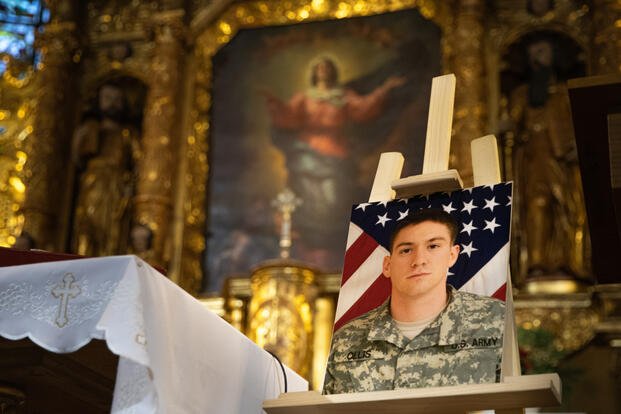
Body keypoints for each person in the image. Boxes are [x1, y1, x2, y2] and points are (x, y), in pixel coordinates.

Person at [322, 209, 505, 394]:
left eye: (433, 246)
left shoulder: (497, 320)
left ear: (452, 255)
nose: (419, 260)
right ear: (387, 265)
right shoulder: (345, 340)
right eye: (406, 250)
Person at [263, 57, 405, 267]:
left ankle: (331, 247)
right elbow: (289, 117)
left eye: (327, 67)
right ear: (314, 73)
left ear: (333, 72)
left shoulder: (343, 96)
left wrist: (384, 90)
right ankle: (309, 248)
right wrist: (275, 104)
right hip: (306, 155)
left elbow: (364, 109)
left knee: (333, 199)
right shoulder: (305, 97)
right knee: (306, 200)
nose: (323, 71)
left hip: (336, 154)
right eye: (320, 68)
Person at [508, 38, 588, 277]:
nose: (536, 59)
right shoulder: (522, 95)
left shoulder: (565, 93)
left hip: (563, 160)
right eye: (532, 54)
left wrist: (578, 145)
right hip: (533, 159)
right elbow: (512, 126)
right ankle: (536, 263)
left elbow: (581, 122)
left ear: (554, 56)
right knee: (537, 205)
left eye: (541, 52)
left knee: (565, 207)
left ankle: (568, 261)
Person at [72, 82, 139, 257]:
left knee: (114, 227)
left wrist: (130, 184)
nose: (112, 104)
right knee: (88, 224)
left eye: (117, 99)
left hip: (117, 185)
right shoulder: (90, 129)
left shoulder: (127, 133)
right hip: (93, 182)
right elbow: (77, 159)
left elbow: (139, 161)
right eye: (108, 98)